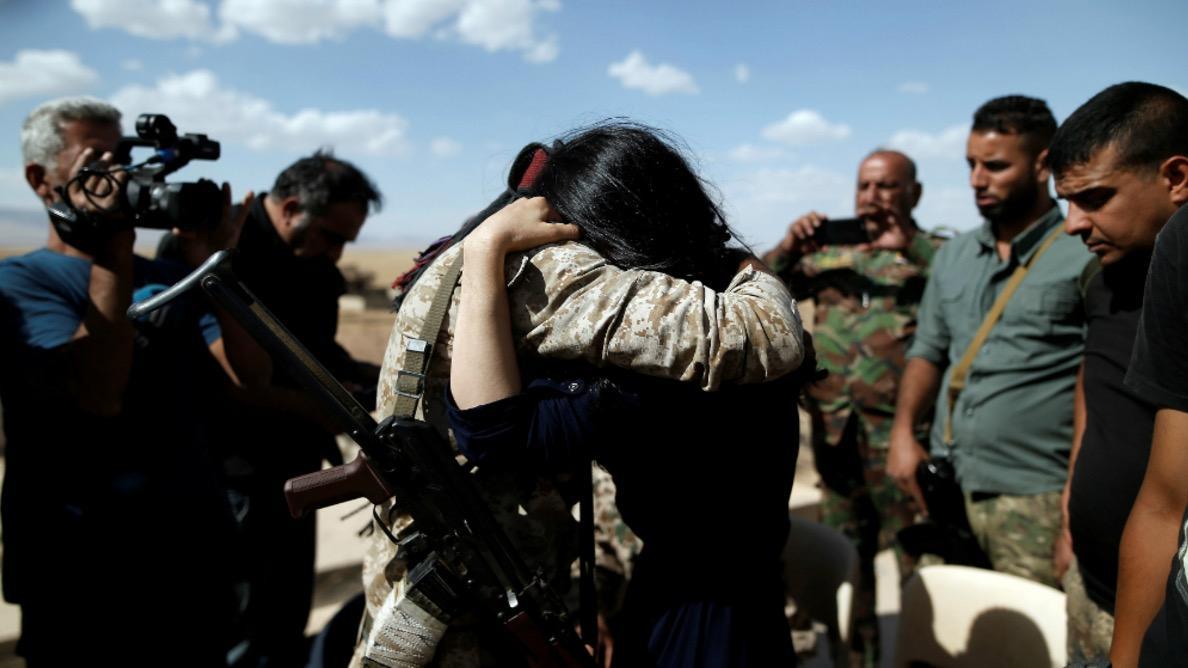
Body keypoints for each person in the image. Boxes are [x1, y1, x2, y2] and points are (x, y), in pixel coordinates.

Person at [353, 127, 807, 667]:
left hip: (705, 612)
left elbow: (494, 432)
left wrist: (485, 250)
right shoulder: (680, 334)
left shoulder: (664, 360)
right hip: (695, 597)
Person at [0, 97, 261, 664]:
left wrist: (215, 265)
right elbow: (96, 394)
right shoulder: (18, 284)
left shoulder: (168, 276)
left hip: (188, 554)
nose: (121, 176)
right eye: (99, 159)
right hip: (79, 568)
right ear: (41, 181)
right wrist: (113, 245)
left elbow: (248, 379)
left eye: (125, 158)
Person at [165, 151, 384, 667]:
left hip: (293, 467)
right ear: (290, 208)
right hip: (231, 471)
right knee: (239, 627)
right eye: (331, 236)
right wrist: (326, 408)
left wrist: (369, 382)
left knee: (283, 619)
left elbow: (315, 350)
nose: (336, 253)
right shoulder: (213, 247)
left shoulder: (312, 265)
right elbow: (233, 382)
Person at [888, 95, 1089, 589]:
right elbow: (929, 350)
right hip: (946, 487)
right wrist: (903, 434)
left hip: (1033, 495)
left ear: (1043, 163)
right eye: (971, 164)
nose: (977, 179)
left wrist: (1074, 513)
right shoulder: (955, 254)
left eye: (995, 166)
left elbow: (1099, 385)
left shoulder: (1081, 251)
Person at [763, 148, 941, 664]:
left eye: (886, 186)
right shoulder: (825, 255)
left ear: (915, 194)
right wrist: (789, 245)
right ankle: (853, 658)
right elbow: (761, 289)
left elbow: (959, 285)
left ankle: (920, 654)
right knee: (851, 556)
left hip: (903, 435)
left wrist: (911, 245)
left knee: (916, 553)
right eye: (865, 186)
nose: (872, 197)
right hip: (838, 429)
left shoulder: (931, 253)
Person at [1047, 81, 1188, 666]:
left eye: (1095, 198)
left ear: (1176, 177)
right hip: (1093, 581)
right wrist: (1070, 508)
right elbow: (1094, 386)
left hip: (1165, 619)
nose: (1074, 224)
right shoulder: (1102, 278)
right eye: (1067, 202)